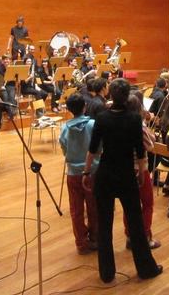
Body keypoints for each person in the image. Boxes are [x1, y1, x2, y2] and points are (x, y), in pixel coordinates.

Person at [82, 78, 163, 283]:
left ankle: (107, 273)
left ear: (111, 95)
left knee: (104, 226)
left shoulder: (102, 118)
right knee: (136, 226)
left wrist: (86, 172)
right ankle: (146, 269)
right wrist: (142, 172)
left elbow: (93, 149)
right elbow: (140, 151)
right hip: (127, 175)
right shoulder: (134, 119)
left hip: (106, 175)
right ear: (127, 97)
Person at [59, 93, 99, 255]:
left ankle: (81, 243)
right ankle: (95, 238)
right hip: (92, 172)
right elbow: (99, 147)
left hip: (73, 174)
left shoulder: (64, 128)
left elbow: (64, 150)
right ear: (85, 107)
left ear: (69, 109)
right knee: (93, 207)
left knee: (76, 210)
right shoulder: (93, 125)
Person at [124, 93, 161, 250]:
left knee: (129, 205)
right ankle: (145, 237)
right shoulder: (138, 126)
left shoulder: (118, 122)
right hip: (140, 169)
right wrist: (146, 125)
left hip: (124, 169)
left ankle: (130, 236)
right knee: (147, 203)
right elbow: (150, 145)